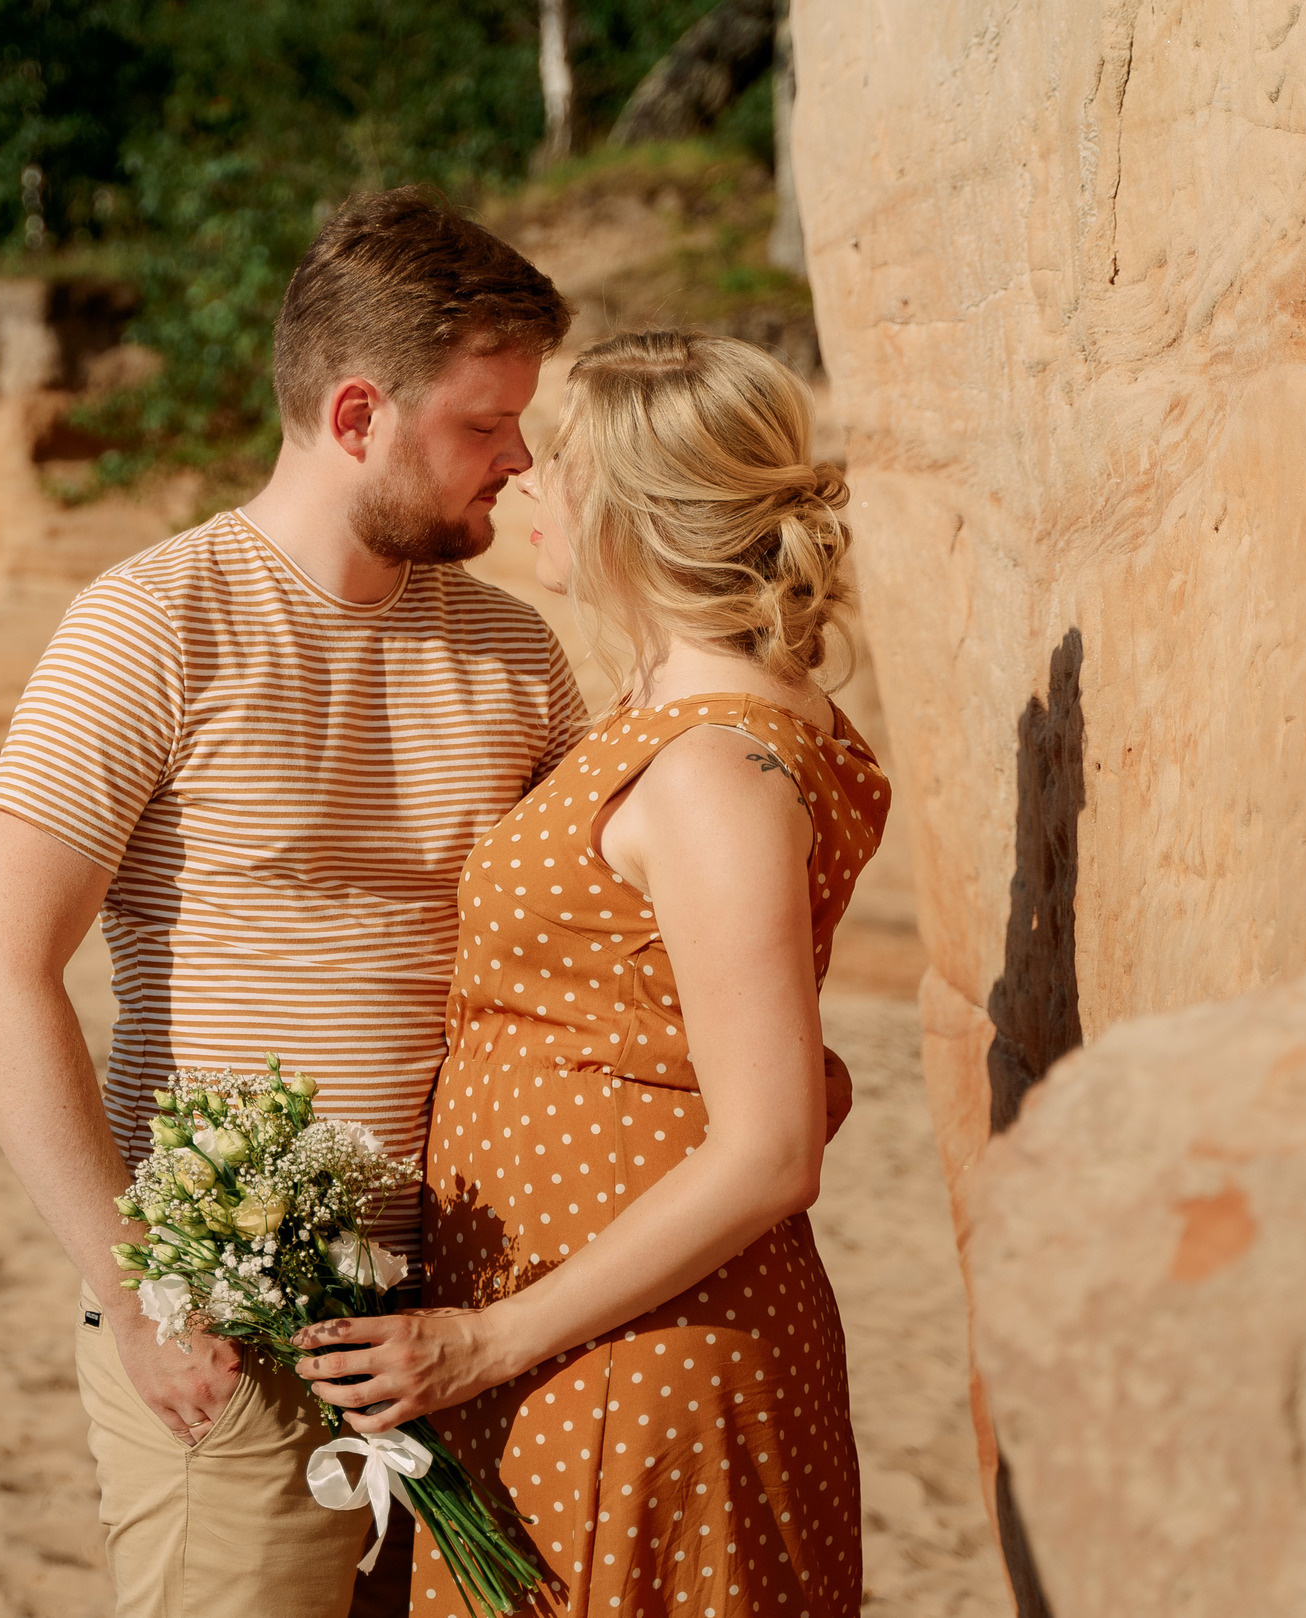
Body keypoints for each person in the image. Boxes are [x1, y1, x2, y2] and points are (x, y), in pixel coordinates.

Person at [0, 186, 584, 1618]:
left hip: (472, 1323)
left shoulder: (520, 653)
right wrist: (137, 1296)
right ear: (358, 417)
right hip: (228, 1335)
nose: (519, 457)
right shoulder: (150, 623)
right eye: (485, 424)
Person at [291, 330, 885, 1618]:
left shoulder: (714, 769)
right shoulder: (672, 725)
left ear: (633, 508)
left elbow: (773, 1149)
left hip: (632, 1351)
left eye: (557, 459)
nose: (524, 479)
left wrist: (481, 1341)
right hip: (583, 1330)